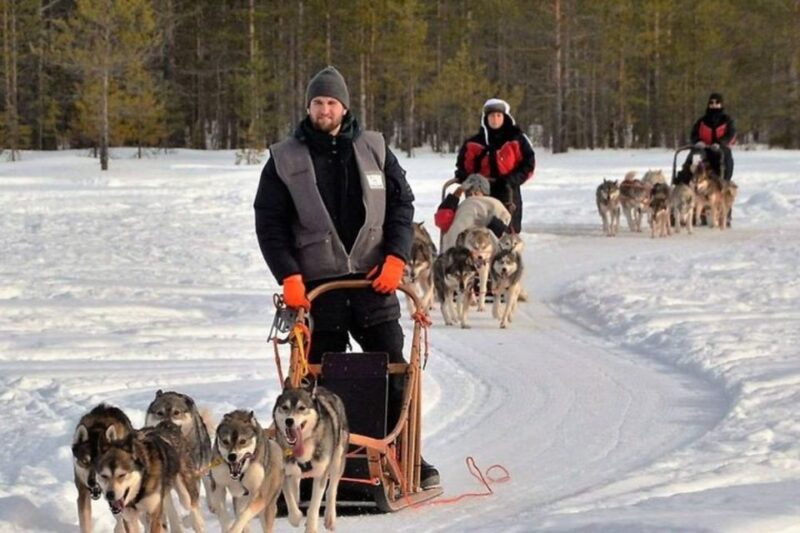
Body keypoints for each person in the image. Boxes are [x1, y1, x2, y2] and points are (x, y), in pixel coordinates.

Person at [253, 66, 439, 489]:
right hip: (320, 290)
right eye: (317, 102)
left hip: (375, 283)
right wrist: (289, 276)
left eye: (331, 102)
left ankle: (408, 456)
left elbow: (401, 205)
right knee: (316, 382)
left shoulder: (374, 147)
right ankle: (311, 465)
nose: (324, 109)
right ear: (308, 107)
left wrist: (396, 257)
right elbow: (270, 222)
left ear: (345, 106)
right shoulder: (285, 157)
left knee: (395, 370)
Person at [454, 98, 536, 233]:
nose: (495, 119)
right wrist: (469, 180)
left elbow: (528, 165)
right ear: (486, 119)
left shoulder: (516, 139)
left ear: (505, 117)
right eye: (492, 116)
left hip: (508, 189)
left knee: (507, 230)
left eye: (499, 115)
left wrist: (511, 180)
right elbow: (463, 167)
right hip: (479, 191)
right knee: (478, 230)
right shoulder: (473, 143)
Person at [435, 173, 512, 250]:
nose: (472, 195)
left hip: (485, 247)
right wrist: (456, 195)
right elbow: (442, 220)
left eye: (476, 192)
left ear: (484, 193)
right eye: (468, 193)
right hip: (459, 245)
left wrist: (489, 227)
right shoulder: (462, 206)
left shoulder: (493, 203)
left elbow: (504, 221)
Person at [675, 92, 736, 185]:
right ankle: (684, 181)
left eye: (717, 103)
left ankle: (724, 182)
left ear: (721, 104)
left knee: (726, 156)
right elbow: (694, 134)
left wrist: (720, 143)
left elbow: (731, 134)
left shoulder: (727, 120)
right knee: (694, 156)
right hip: (704, 148)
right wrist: (698, 141)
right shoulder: (702, 121)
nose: (714, 105)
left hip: (720, 148)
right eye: (712, 103)